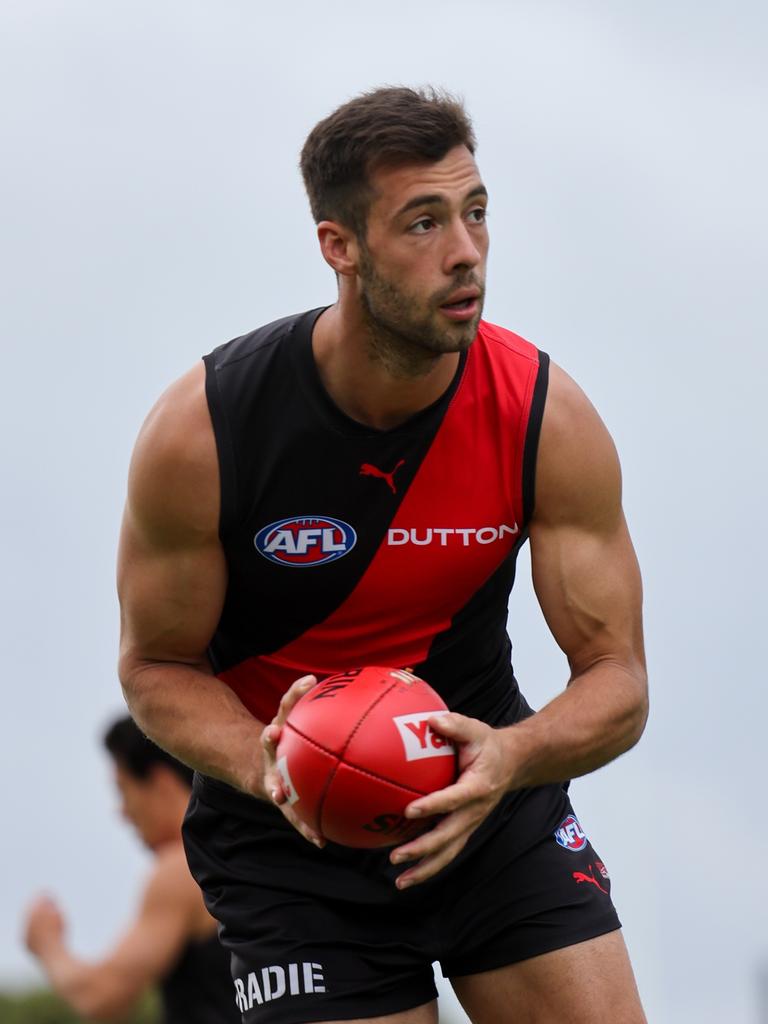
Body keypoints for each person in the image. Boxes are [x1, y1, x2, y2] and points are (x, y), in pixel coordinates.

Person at [116, 85, 649, 1024]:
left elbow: (619, 682)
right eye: (424, 223)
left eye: (476, 213)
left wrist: (512, 757)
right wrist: (269, 762)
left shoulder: (542, 416)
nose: (467, 252)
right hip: (289, 841)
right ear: (340, 245)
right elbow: (156, 667)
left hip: (487, 798)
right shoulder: (204, 431)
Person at [23, 716, 240, 1023]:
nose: (123, 813)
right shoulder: (240, 853)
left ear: (160, 783)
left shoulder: (181, 868)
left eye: (124, 791)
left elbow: (102, 996)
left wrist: (47, 945)